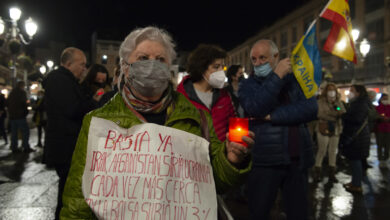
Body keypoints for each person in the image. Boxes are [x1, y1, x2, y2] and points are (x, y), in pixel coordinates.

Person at [60, 26, 254, 219]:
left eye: (160, 59)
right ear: (126, 68)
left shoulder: (197, 118)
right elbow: (78, 199)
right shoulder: (99, 121)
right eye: (143, 58)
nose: (152, 65)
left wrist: (231, 160)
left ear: (169, 67)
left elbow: (215, 181)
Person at [238, 39, 318, 220]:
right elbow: (256, 108)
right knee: (259, 211)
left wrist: (272, 116)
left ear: (276, 56)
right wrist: (277, 76)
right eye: (254, 59)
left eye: (262, 58)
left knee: (298, 212)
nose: (258, 63)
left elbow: (311, 109)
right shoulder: (248, 85)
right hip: (265, 160)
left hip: (298, 160)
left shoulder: (297, 79)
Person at [42, 47, 103, 220]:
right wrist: (94, 101)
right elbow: (72, 109)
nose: (84, 68)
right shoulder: (59, 80)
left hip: (66, 145)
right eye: (81, 64)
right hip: (65, 146)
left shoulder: (65, 80)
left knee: (67, 189)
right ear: (69, 63)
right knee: (67, 190)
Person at [177, 44, 237, 142]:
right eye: (216, 67)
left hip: (220, 155)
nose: (221, 71)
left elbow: (234, 125)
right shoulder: (182, 95)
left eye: (223, 66)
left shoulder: (225, 96)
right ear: (201, 68)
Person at [340, 85, 371, 194]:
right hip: (358, 136)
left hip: (357, 137)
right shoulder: (357, 103)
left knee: (356, 161)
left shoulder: (360, 104)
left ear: (358, 92)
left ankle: (356, 185)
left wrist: (343, 116)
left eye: (352, 91)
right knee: (354, 161)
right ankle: (354, 182)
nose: (350, 93)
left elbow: (356, 119)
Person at [313, 83, 346, 182]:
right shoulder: (320, 102)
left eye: (333, 90)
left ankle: (332, 173)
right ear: (326, 91)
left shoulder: (338, 102)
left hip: (336, 129)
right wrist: (334, 115)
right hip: (323, 127)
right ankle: (317, 172)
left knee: (333, 151)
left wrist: (336, 107)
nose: (331, 92)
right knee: (322, 150)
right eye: (329, 90)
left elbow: (342, 112)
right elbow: (320, 114)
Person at [7, 81, 34, 153]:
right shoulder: (22, 93)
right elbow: (24, 103)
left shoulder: (11, 93)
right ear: (22, 86)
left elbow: (8, 103)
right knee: (25, 131)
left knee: (14, 132)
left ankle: (14, 147)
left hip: (12, 116)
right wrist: (26, 111)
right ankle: (25, 146)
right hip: (20, 116)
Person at [375, 93, 390, 168]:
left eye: (386, 99)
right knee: (380, 145)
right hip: (379, 129)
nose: (385, 100)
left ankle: (386, 158)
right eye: (384, 99)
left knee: (387, 145)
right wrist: (381, 118)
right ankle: (380, 159)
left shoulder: (389, 107)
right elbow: (375, 117)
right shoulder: (377, 108)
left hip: (388, 129)